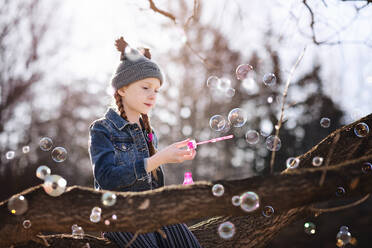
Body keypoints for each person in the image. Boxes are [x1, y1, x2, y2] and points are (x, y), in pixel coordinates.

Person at [88, 37, 202, 248]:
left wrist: (169, 158)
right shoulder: (102, 128)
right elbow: (106, 178)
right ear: (122, 89)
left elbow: (152, 187)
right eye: (145, 87)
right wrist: (158, 159)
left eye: (156, 90)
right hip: (118, 213)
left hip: (150, 209)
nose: (153, 95)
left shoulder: (150, 133)